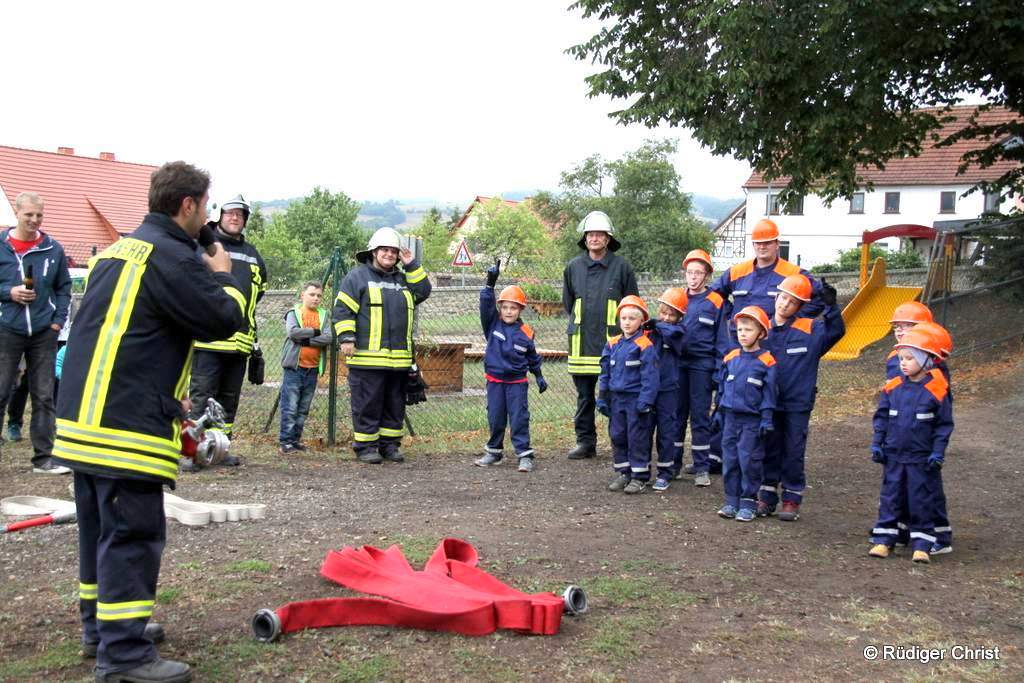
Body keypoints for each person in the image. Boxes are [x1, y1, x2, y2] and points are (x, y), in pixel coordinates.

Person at [51, 161, 245, 682]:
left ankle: (103, 632)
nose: (207, 215)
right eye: (205, 206)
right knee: (132, 535)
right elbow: (223, 321)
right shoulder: (173, 259)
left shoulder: (117, 249)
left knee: (98, 531)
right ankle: (124, 657)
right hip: (125, 425)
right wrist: (223, 274)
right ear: (189, 206)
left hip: (82, 420)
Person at [332, 227, 431, 464]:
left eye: (393, 251)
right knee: (368, 404)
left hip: (398, 361)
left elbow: (423, 291)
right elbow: (342, 310)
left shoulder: (403, 279)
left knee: (394, 405)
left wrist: (412, 265)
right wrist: (346, 337)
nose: (389, 254)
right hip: (367, 359)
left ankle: (389, 446)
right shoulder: (357, 277)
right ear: (374, 251)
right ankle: (366, 447)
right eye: (384, 250)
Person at [185, 194, 267, 469]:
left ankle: (219, 449)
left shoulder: (253, 254)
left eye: (241, 215)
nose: (236, 218)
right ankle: (192, 451)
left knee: (228, 402)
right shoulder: (205, 248)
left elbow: (259, 291)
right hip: (208, 340)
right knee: (202, 397)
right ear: (219, 214)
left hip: (240, 341)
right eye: (231, 213)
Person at [758, 274, 845, 522]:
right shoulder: (762, 328)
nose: (785, 304)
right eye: (783, 298)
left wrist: (830, 306)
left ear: (800, 306)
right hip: (769, 403)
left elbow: (836, 331)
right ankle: (766, 496)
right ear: (776, 297)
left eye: (792, 302)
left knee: (793, 450)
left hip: (797, 403)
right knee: (768, 449)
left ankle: (791, 499)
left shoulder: (811, 330)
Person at [868, 326, 954, 564]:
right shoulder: (893, 386)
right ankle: (884, 540)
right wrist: (877, 444)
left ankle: (922, 544)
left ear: (926, 360)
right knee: (890, 497)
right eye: (901, 358)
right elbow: (882, 417)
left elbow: (943, 425)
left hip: (920, 458)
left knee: (920, 499)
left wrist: (937, 452)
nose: (903, 364)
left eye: (909, 359)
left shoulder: (936, 390)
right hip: (894, 456)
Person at [0, 191, 72, 473]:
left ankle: (44, 457)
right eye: (29, 214)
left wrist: (57, 321)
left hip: (44, 331)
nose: (34, 220)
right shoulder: (1, 246)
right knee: (2, 390)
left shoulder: (53, 248)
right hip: (7, 329)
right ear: (17, 213)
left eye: (39, 215)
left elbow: (64, 288)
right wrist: (9, 293)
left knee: (44, 395)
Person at [562, 210, 639, 460]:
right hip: (581, 343)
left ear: (608, 239)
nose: (594, 238)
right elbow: (568, 303)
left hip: (614, 345)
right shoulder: (573, 267)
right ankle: (585, 443)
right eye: (590, 234)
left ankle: (619, 443)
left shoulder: (622, 267)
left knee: (616, 396)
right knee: (584, 397)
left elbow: (632, 303)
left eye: (599, 234)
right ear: (585, 239)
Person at [473, 261, 546, 472]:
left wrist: (539, 375)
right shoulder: (492, 325)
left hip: (517, 384)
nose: (508, 311)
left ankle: (524, 455)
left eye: (513, 307)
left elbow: (532, 357)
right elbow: (485, 307)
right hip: (495, 382)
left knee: (519, 418)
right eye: (504, 307)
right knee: (495, 418)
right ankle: (494, 452)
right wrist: (489, 285)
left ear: (520, 309)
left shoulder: (526, 333)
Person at [711, 218, 823, 345]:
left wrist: (791, 318)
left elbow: (820, 298)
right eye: (758, 243)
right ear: (753, 244)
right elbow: (713, 294)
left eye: (767, 242)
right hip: (739, 345)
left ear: (777, 244)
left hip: (775, 344)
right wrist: (731, 312)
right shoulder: (737, 272)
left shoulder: (793, 273)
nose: (762, 246)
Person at [715, 306, 777, 522]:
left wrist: (767, 418)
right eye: (740, 329)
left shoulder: (767, 361)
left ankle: (748, 503)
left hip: (752, 421)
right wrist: (718, 412)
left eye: (748, 330)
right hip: (730, 419)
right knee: (730, 459)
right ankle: (732, 501)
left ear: (761, 333)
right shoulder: (730, 357)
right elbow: (722, 387)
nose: (743, 334)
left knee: (748, 461)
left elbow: (769, 394)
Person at [598, 295, 660, 494]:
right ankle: (624, 472)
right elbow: (605, 372)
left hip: (636, 401)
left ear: (641, 321)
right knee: (618, 435)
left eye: (632, 318)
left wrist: (645, 401)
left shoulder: (645, 345)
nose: (627, 322)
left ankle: (639, 476)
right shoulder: (612, 344)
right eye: (623, 318)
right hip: (617, 400)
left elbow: (650, 377)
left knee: (637, 438)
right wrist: (602, 397)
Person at [676, 249, 728, 485]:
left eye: (698, 272)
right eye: (690, 272)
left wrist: (719, 371)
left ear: (707, 275)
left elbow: (722, 340)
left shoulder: (716, 301)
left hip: (702, 366)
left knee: (700, 417)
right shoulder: (677, 297)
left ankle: (701, 468)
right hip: (677, 366)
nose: (693, 277)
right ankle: (672, 464)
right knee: (676, 416)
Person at [278, 282, 333, 454]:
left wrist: (306, 338)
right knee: (290, 406)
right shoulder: (294, 313)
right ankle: (285, 442)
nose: (316, 298)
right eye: (312, 294)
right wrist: (316, 332)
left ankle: (295, 440)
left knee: (303, 408)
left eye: (319, 295)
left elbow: (329, 338)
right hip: (295, 368)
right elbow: (293, 333)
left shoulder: (324, 315)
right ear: (303, 295)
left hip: (313, 369)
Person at [648, 288, 687, 491]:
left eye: (672, 314)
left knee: (666, 431)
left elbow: (672, 334)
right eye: (663, 312)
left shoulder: (677, 332)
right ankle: (642, 470)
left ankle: (665, 472)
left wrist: (657, 325)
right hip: (649, 389)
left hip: (668, 390)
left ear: (680, 317)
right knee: (644, 430)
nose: (666, 317)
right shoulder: (651, 331)